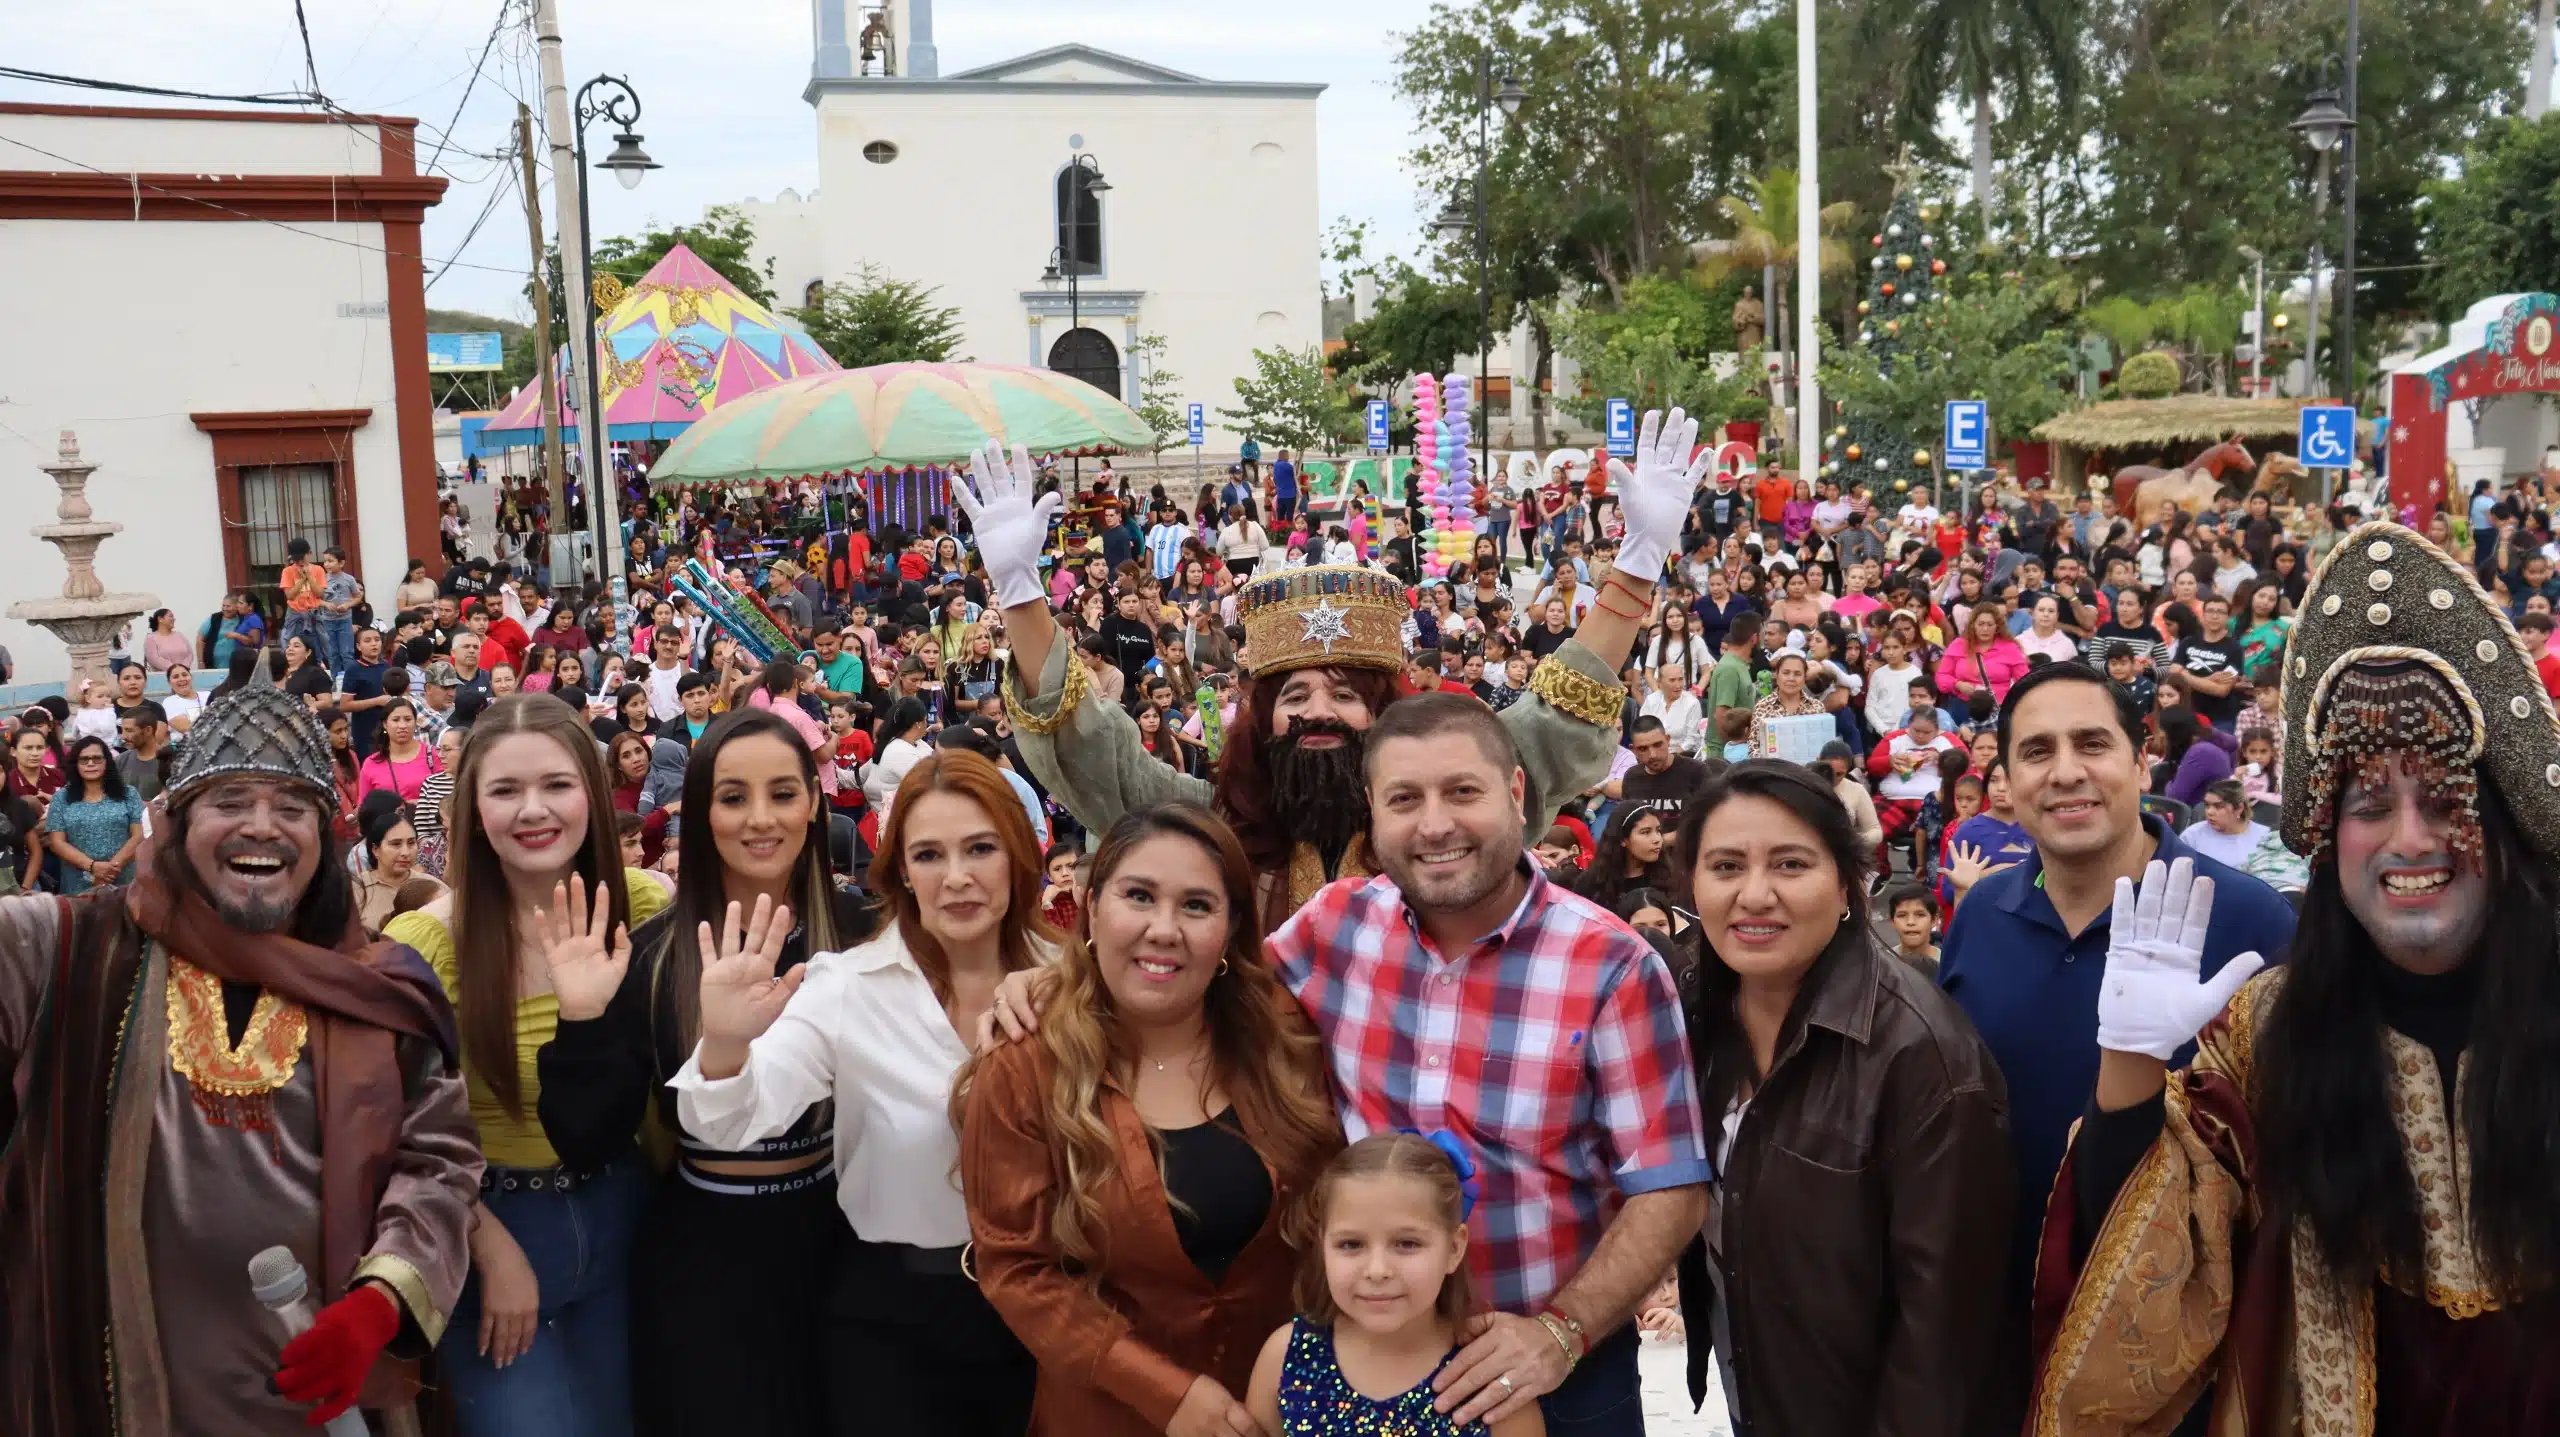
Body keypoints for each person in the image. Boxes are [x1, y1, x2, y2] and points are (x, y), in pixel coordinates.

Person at [989, 696, 1713, 1433]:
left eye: (1463, 791)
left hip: (1550, 1374)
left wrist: (1562, 1332)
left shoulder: (1613, 966)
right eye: (1405, 798)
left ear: (1517, 792)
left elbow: (1672, 1185)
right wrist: (1053, 979)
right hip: (1361, 1375)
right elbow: (1196, 967)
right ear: (1372, 809)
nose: (1435, 823)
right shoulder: (1337, 925)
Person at [2028, 519, 2560, 1432]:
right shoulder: (2261, 1037)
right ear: (2327, 843)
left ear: (2505, 830)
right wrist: (2126, 1073)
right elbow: (2143, 1319)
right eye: (2369, 806)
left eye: (2444, 801)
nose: (2409, 840)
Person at [976, 413, 1706, 930]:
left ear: (1387, 715)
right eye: (1294, 694)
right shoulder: (1210, 826)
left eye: (1346, 694)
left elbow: (1556, 718)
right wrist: (1020, 595)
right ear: (1262, 719)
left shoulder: (1444, 823)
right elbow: (1091, 751)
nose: (1318, 711)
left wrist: (1639, 564)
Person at [0, 658, 477, 1433]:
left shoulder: (379, 989)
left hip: (320, 1396)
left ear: (322, 840)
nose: (262, 824)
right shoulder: (66, 949)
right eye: (231, 800)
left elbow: (441, 1160)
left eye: (293, 806)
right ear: (179, 823)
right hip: (115, 1390)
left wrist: (380, 1302)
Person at [669, 751, 1047, 1437]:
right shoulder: (844, 985)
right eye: (929, 854)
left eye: (980, 848)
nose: (956, 877)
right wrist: (724, 1045)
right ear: (901, 867)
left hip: (1052, 1312)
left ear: (1017, 853)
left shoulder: (1071, 980)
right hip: (893, 1324)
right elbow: (732, 1116)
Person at [537, 708, 873, 1437]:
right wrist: (584, 1019)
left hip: (846, 1253)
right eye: (732, 797)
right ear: (699, 809)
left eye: (784, 793)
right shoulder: (656, 955)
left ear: (816, 802)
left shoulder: (863, 932)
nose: (761, 818)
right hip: (705, 1273)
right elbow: (585, 1139)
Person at [958, 803, 1343, 1436]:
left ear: (1229, 929)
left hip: (1281, 1407)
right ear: (1092, 907)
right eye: (1138, 896)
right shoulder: (1024, 1065)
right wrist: (1166, 1394)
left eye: (1196, 905)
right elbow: (1017, 1269)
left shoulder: (1280, 1037)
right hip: (1109, 1416)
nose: (1164, 929)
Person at [1938, 660, 2295, 1321]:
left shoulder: (2252, 919)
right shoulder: (1982, 914)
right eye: (2037, 751)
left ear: (2142, 763)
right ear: (2008, 786)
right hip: (2001, 1318)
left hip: (2183, 1338)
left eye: (2092, 743)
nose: (2067, 770)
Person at [1668, 761, 2016, 1434]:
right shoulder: (1695, 1009)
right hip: (1758, 1389)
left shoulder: (1923, 1055)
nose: (1755, 894)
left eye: (1791, 864)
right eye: (1727, 865)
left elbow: (1943, 1325)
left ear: (1848, 883)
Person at [382, 695, 671, 1435]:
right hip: (498, 1223)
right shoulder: (425, 942)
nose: (533, 810)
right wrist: (486, 1241)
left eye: (557, 784)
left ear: (594, 796)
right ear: (472, 809)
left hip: (626, 1212)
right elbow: (396, 1123)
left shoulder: (643, 905)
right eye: (505, 790)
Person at [1244, 1132, 1546, 1437]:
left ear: (1454, 1249)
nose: (1377, 1271)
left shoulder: (1494, 1377)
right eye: (1351, 1244)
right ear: (1322, 1245)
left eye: (1407, 1243)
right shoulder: (1284, 1359)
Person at [44, 736, 143, 894]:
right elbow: (57, 843)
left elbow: (138, 836)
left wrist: (111, 869)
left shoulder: (128, 793)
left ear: (107, 762)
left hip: (123, 880)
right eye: (84, 760)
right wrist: (92, 867)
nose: (90, 764)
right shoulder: (62, 797)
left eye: (96, 759)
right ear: (75, 764)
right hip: (77, 882)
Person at [355, 801, 428, 930]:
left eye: (411, 843)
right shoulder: (357, 889)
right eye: (396, 844)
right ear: (375, 850)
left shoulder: (431, 887)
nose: (405, 852)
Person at [359, 699, 442, 804]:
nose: (402, 726)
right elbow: (364, 807)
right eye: (395, 720)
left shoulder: (433, 755)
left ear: (416, 722)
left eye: (408, 719)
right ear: (385, 724)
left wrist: (421, 804)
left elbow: (446, 799)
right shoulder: (371, 763)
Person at [2177, 777, 2271, 869]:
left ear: (2239, 808)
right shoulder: (2192, 835)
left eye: (2218, 806)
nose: (2209, 812)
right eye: (2207, 805)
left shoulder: (2265, 837)